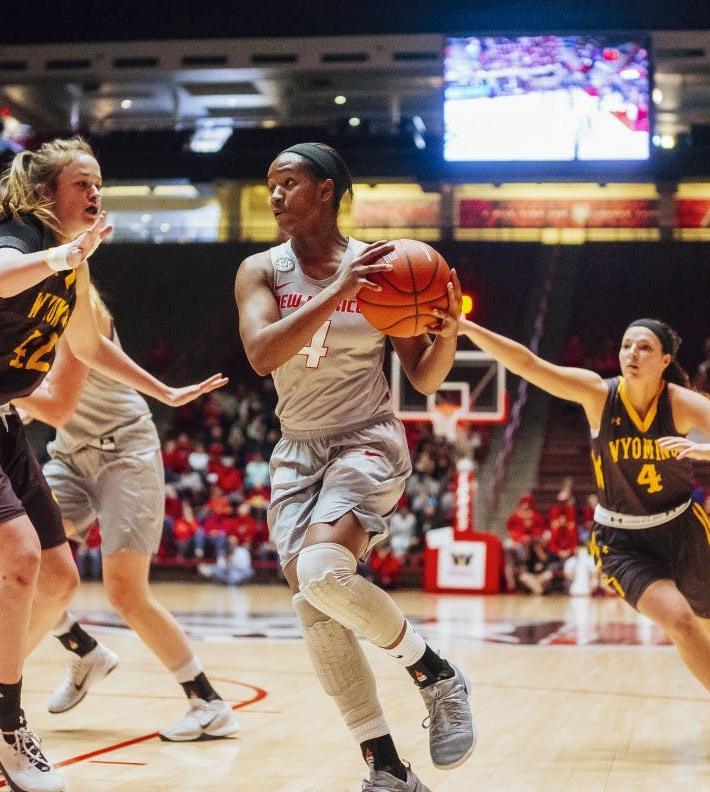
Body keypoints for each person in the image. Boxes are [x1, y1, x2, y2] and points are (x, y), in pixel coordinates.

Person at [0, 137, 223, 792]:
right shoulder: (17, 233)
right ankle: (6, 729)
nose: (95, 193)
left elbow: (88, 346)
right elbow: (0, 276)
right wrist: (61, 254)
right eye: (82, 183)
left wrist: (163, 391)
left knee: (60, 578)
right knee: (18, 561)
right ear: (47, 194)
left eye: (99, 183)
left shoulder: (74, 265)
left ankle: (3, 687)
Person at [234, 142, 474, 792]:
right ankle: (387, 768)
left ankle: (435, 674)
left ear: (327, 190)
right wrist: (337, 292)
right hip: (297, 450)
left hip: (365, 438)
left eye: (289, 182)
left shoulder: (384, 266)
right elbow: (261, 354)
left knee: (321, 570)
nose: (275, 194)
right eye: (270, 183)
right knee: (315, 606)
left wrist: (448, 333)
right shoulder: (261, 270)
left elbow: (425, 378)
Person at [458, 314, 710, 764]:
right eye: (627, 345)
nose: (633, 354)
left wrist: (701, 449)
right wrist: (470, 329)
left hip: (683, 530)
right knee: (680, 622)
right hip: (622, 540)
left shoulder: (682, 404)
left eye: (645, 347)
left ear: (665, 360)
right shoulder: (598, 394)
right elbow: (530, 364)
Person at [11, 285, 237, 741]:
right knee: (18, 554)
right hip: (71, 456)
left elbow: (56, 404)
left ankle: (209, 704)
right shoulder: (29, 320)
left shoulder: (80, 309)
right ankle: (83, 649)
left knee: (125, 592)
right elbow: (41, 401)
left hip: (125, 453)